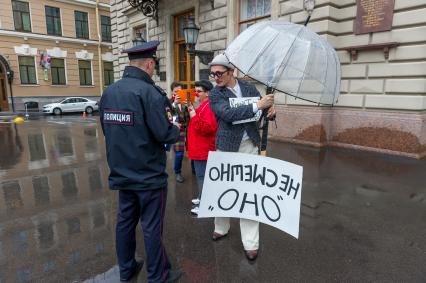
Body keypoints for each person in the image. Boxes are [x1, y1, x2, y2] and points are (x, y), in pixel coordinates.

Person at [99, 40, 182, 283]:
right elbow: (164, 133)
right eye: (153, 65)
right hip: (149, 177)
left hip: (122, 174)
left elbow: (108, 130)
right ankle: (158, 277)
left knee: (124, 223)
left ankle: (126, 270)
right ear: (148, 64)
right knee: (151, 228)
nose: (153, 69)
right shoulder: (150, 93)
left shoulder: (110, 92)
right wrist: (175, 128)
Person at [208, 53, 275, 261]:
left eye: (219, 73)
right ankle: (221, 227)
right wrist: (258, 106)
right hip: (226, 147)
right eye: (212, 74)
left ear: (231, 72)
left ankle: (251, 242)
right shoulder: (215, 94)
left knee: (249, 194)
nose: (215, 77)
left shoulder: (248, 88)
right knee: (223, 192)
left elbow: (260, 112)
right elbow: (228, 114)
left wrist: (270, 111)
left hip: (249, 146)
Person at [186, 80, 217, 215]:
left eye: (199, 91)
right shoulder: (204, 105)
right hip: (199, 148)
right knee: (201, 176)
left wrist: (193, 115)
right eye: (195, 91)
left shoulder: (209, 107)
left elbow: (207, 128)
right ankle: (201, 197)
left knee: (203, 176)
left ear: (208, 93)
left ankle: (205, 204)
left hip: (203, 150)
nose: (196, 94)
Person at [170, 82, 190, 183]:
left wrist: (188, 105)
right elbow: (168, 116)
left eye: (180, 91)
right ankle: (177, 172)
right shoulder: (169, 103)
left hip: (189, 131)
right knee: (179, 154)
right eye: (176, 91)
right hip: (178, 132)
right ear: (172, 92)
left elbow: (190, 117)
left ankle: (195, 170)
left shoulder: (186, 101)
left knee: (192, 151)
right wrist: (174, 104)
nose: (178, 93)